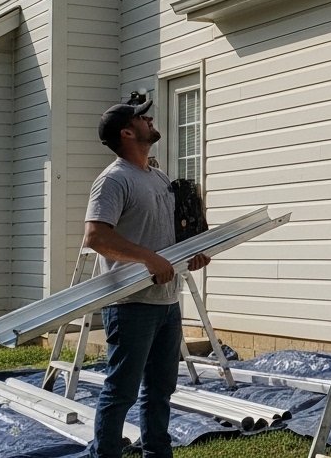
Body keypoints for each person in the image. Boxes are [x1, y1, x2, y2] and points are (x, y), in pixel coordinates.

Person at [83, 93, 210, 458]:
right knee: (121, 391)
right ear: (126, 133)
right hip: (131, 305)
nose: (149, 119)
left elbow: (169, 239)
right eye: (141, 118)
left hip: (167, 302)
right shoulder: (113, 180)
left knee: (160, 390)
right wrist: (148, 260)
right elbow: (96, 236)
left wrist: (192, 255)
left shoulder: (157, 176)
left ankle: (157, 453)